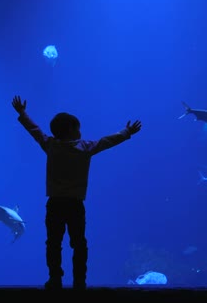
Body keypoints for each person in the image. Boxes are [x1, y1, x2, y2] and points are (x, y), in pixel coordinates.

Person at [11, 95, 142, 290]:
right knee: (79, 243)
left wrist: (22, 113)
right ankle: (79, 280)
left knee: (53, 243)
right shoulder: (86, 147)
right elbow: (108, 141)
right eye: (78, 128)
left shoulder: (51, 145)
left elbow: (35, 131)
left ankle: (55, 278)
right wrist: (126, 132)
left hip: (54, 203)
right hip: (75, 204)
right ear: (72, 130)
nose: (80, 131)